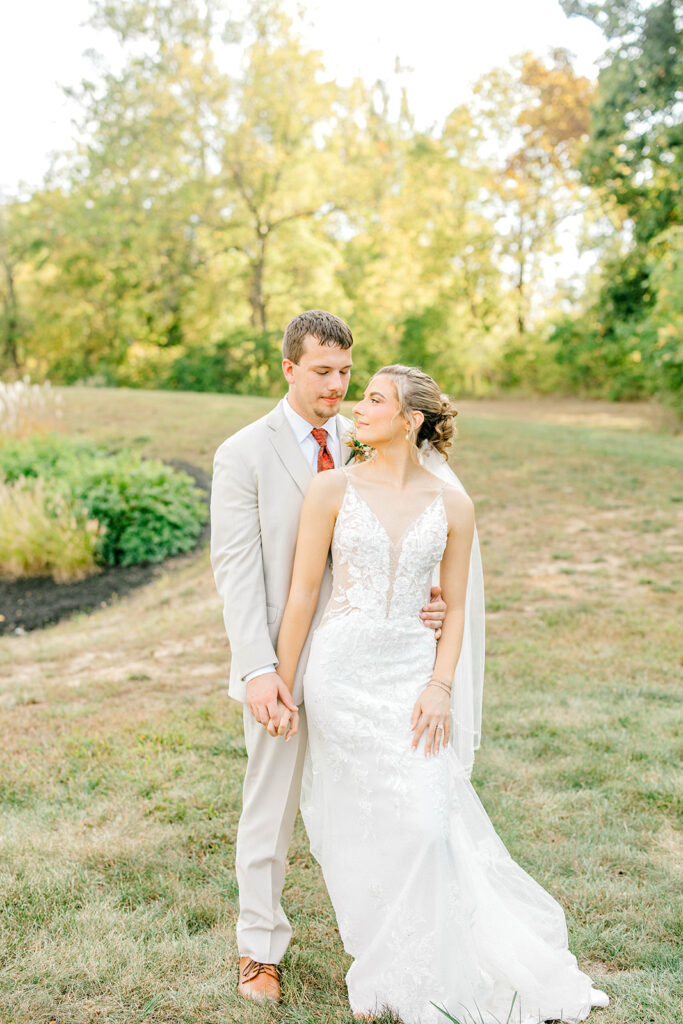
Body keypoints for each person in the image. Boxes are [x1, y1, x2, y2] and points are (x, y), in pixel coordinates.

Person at [274, 364, 610, 1024]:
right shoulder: (330, 489)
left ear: (411, 420)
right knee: (361, 824)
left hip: (410, 676)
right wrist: (283, 687)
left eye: (373, 399)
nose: (355, 407)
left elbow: (452, 610)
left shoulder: (453, 504)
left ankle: (441, 962)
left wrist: (438, 687)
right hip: (341, 676)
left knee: (428, 827)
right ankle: (384, 962)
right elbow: (303, 595)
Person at [209, 313, 447, 1005]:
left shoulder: (370, 436)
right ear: (288, 368)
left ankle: (393, 944)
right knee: (270, 806)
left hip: (367, 661)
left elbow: (407, 532)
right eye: (322, 372)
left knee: (387, 804)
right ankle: (259, 949)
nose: (338, 386)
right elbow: (237, 571)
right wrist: (260, 671)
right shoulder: (243, 453)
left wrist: (426, 602)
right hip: (282, 665)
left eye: (346, 372)